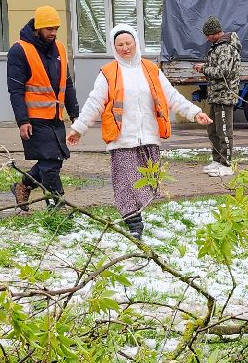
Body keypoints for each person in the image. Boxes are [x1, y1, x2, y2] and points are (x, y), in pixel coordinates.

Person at [68, 25, 211, 239]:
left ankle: (135, 217)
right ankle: (134, 223)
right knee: (127, 181)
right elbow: (94, 103)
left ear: (136, 43)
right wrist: (78, 128)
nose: (125, 48)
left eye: (128, 43)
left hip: (149, 138)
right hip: (122, 138)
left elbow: (171, 96)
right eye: (120, 45)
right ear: (114, 47)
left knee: (149, 182)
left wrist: (194, 112)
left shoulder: (151, 70)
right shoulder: (108, 73)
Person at [6, 5, 79, 209]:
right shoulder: (19, 50)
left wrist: (75, 115)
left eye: (56, 28)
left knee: (56, 160)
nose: (53, 33)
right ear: (37, 27)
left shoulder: (60, 49)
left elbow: (68, 83)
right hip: (34, 118)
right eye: (49, 29)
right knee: (49, 164)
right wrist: (23, 121)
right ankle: (58, 205)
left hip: (55, 117)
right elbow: (16, 90)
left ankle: (22, 185)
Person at [191, 16, 242, 177]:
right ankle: (217, 160)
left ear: (215, 33)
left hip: (224, 95)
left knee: (224, 131)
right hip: (216, 96)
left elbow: (222, 72)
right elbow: (217, 67)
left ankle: (227, 164)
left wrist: (204, 69)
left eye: (208, 35)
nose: (206, 38)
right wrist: (206, 66)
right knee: (213, 129)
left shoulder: (226, 48)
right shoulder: (218, 46)